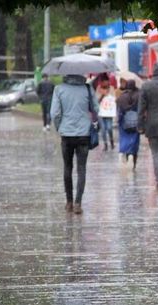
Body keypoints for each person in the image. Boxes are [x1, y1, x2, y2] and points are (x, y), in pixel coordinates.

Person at [50, 74, 99, 215]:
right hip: (84, 134)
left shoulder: (59, 89)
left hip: (66, 134)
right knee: (82, 168)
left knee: (67, 167)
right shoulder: (87, 89)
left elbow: (54, 113)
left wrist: (60, 127)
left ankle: (69, 202)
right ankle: (78, 202)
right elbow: (96, 109)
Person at [116, 79, 141, 170]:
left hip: (124, 123)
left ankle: (122, 153)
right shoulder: (139, 95)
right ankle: (132, 157)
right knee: (134, 140)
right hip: (136, 122)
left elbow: (119, 111)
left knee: (124, 139)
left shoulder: (122, 97)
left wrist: (119, 121)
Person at [96, 80, 116, 151]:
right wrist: (102, 95)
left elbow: (114, 100)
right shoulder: (98, 89)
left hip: (109, 113)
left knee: (109, 128)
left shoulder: (112, 89)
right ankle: (105, 144)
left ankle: (111, 141)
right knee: (103, 129)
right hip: (101, 114)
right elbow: (96, 102)